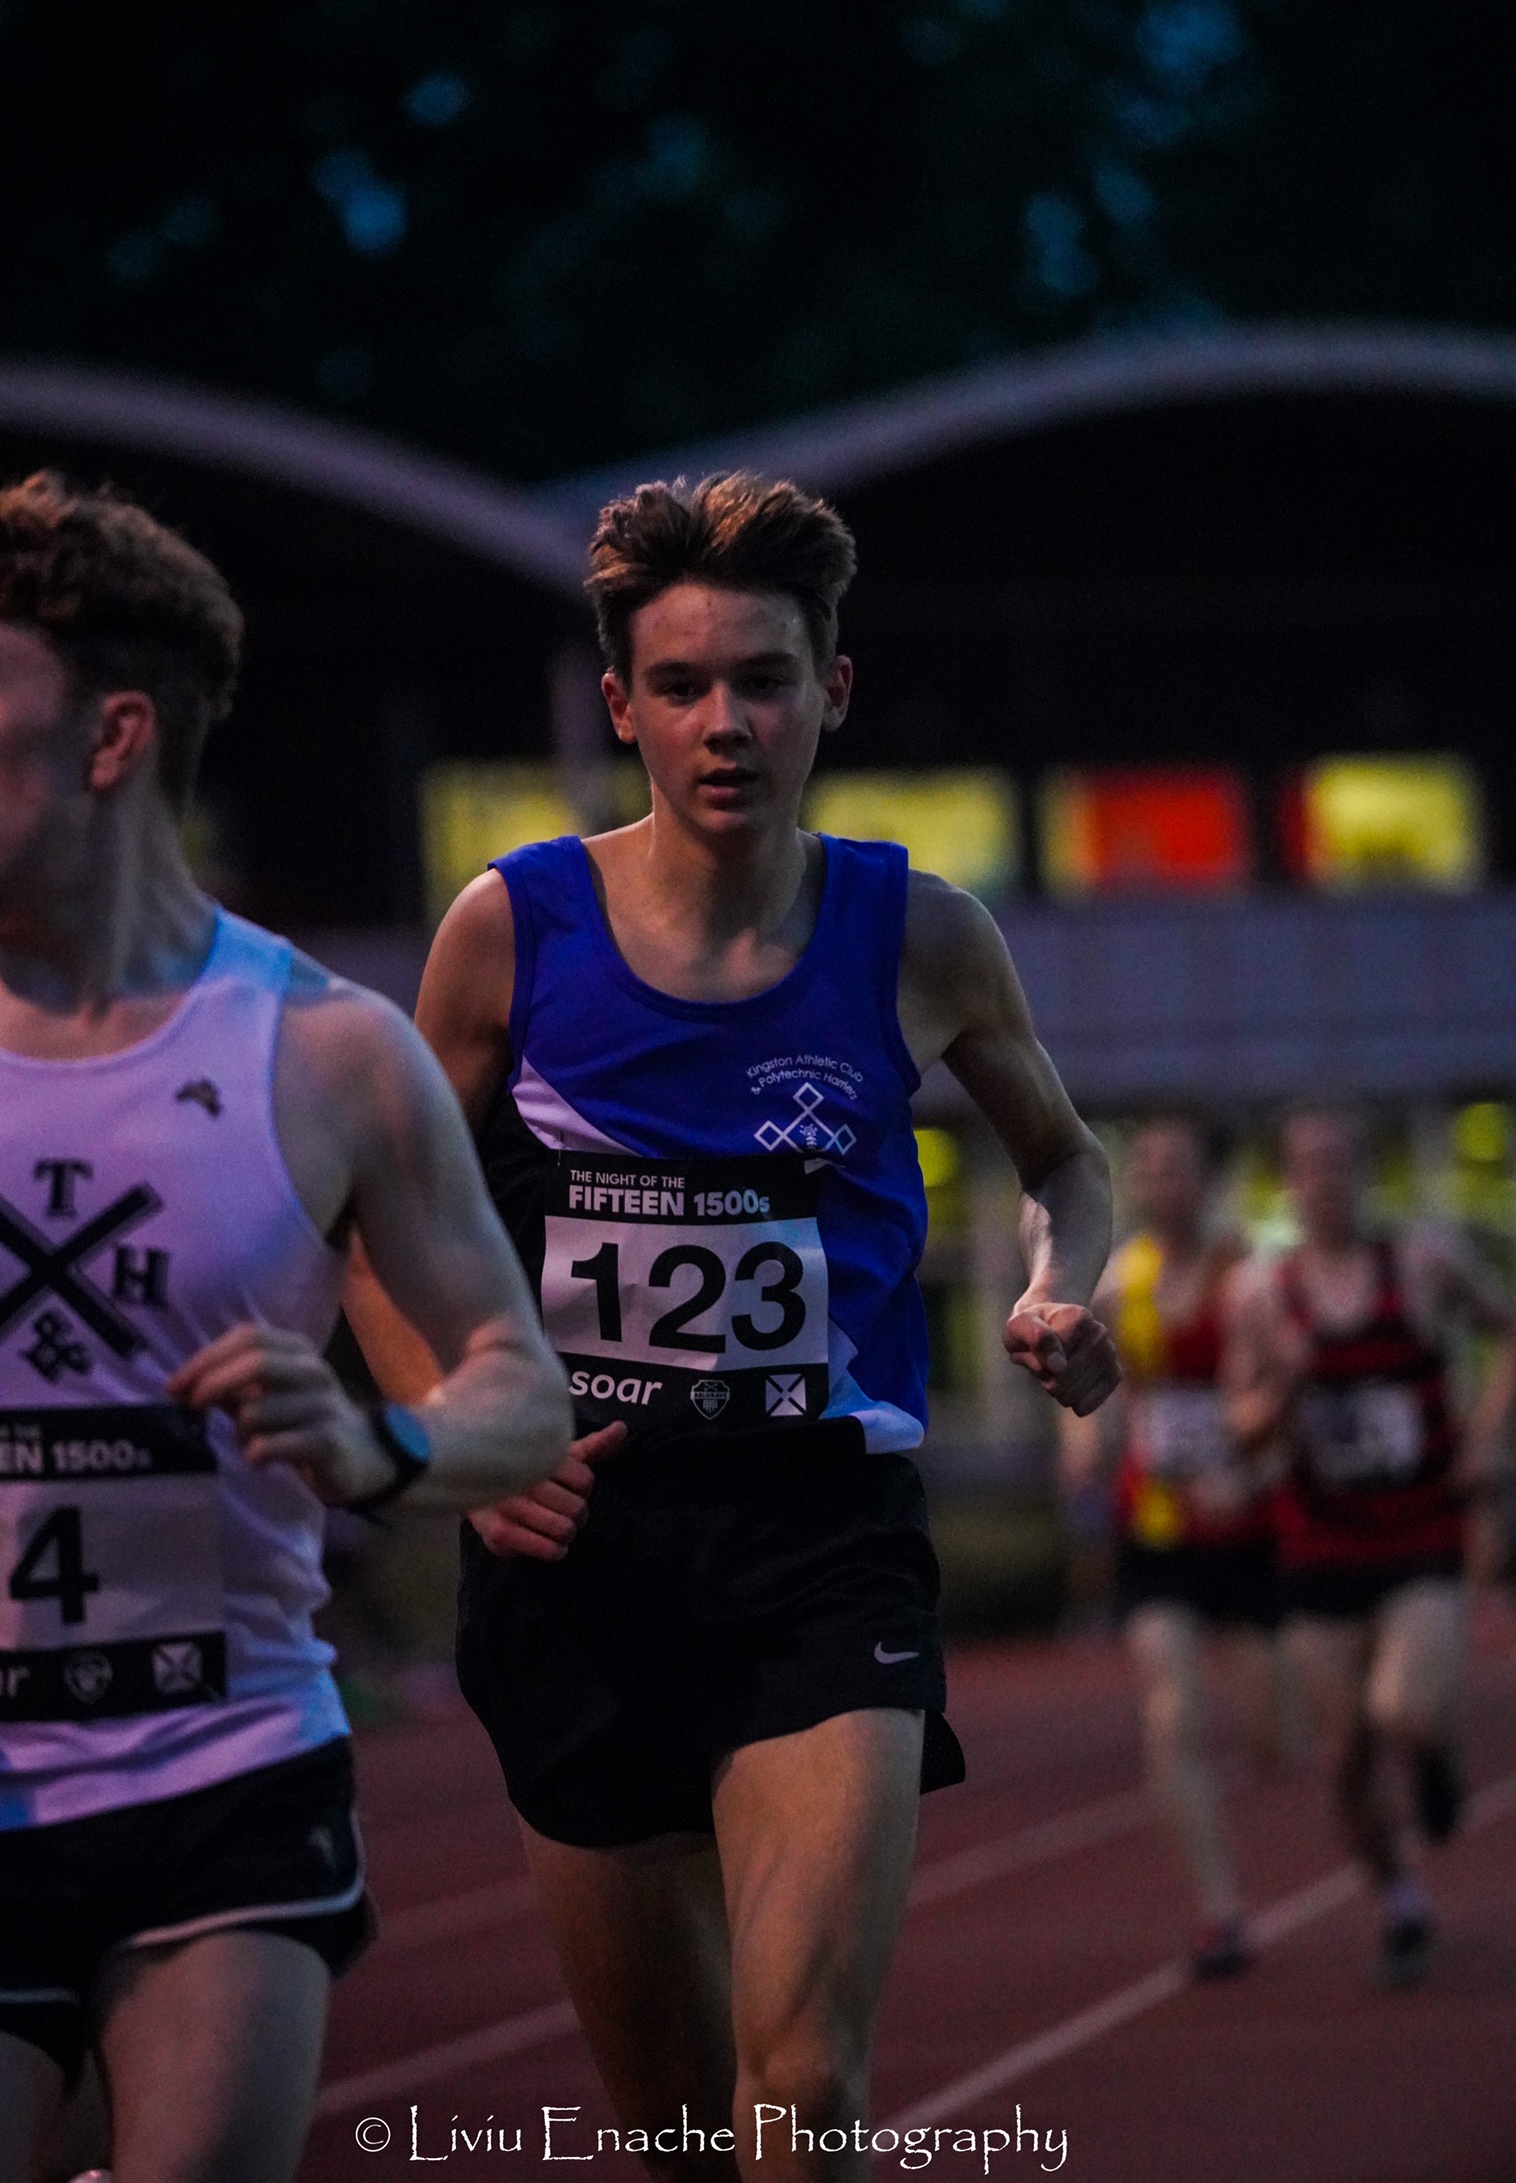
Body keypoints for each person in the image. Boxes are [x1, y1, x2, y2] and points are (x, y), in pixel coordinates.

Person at [348, 473, 1120, 2183]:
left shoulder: (920, 933)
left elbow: (1067, 1162)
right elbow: (372, 1223)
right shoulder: (509, 932)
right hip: (579, 1544)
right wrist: (451, 1435)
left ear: (828, 692)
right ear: (620, 704)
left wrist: (1062, 1284)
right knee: (685, 2133)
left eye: (762, 681)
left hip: (817, 1536)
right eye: (682, 685)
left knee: (804, 2086)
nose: (724, 723)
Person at [0, 475, 573, 2183]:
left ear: (111, 736)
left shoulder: (326, 1050)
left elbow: (520, 1391)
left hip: (224, 1764)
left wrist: (378, 1439)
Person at [1225, 1104, 1511, 1988]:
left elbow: (1508, 1329)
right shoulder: (1261, 1294)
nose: (1326, 1181)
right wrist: (1282, 1388)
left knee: (1405, 1712)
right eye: (1308, 1165)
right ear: (1288, 1183)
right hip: (1318, 1541)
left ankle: (1436, 1754)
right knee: (1346, 1753)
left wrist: (1487, 1437)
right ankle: (1401, 1904)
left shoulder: (1422, 1264)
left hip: (1420, 1528)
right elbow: (1240, 1425)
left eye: (1340, 1162)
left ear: (1365, 1173)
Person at [1069, 1117, 1287, 1981]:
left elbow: (1285, 1387)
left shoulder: (1252, 1275)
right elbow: (1087, 1382)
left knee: (1277, 1742)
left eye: (1178, 1168)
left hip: (1249, 1525)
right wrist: (1082, 1446)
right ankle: (1219, 1912)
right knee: (1169, 1714)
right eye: (1149, 1169)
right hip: (1157, 1525)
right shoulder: (1122, 1279)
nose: (1163, 1184)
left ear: (1209, 1178)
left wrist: (1250, 1457)